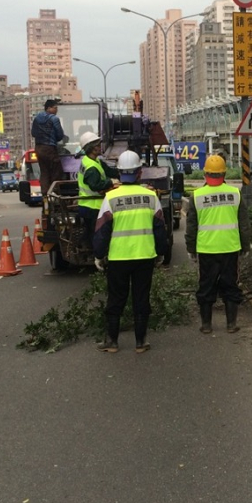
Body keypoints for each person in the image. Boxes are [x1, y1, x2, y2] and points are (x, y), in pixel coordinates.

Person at [92, 150, 170, 354]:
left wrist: (99, 255)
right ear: (139, 173)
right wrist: (162, 252)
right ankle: (140, 342)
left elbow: (102, 231)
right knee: (141, 299)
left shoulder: (110, 198)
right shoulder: (151, 197)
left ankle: (112, 341)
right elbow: (160, 229)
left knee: (116, 299)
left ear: (119, 173)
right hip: (145, 257)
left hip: (119, 258)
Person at [185, 154, 250, 334]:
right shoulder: (235, 194)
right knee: (231, 285)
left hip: (207, 250)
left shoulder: (197, 196)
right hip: (230, 248)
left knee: (206, 286)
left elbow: (191, 226)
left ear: (205, 174)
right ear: (224, 174)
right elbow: (244, 224)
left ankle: (206, 324)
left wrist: (191, 249)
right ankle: (231, 324)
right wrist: (246, 247)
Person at [76, 130, 119, 252]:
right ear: (91, 148)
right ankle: (95, 254)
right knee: (97, 233)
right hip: (92, 206)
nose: (100, 147)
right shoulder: (91, 168)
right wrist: (111, 182)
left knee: (92, 231)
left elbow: (108, 170)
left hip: (89, 205)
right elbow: (96, 185)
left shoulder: (94, 161)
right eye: (97, 145)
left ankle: (88, 247)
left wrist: (121, 171)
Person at [31, 98, 66, 198]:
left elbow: (33, 133)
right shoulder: (54, 119)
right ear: (49, 108)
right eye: (55, 108)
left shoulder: (37, 118)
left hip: (38, 148)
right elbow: (60, 135)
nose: (56, 110)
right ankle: (54, 192)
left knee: (44, 171)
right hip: (50, 148)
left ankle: (45, 193)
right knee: (57, 170)